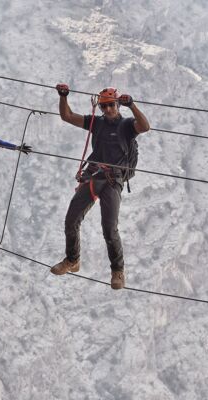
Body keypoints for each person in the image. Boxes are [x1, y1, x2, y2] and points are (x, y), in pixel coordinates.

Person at [51, 84, 150, 289]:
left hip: (114, 181)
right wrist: (63, 96)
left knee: (109, 228)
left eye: (111, 106)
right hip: (93, 176)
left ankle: (117, 271)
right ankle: (72, 260)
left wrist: (132, 105)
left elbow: (145, 126)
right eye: (103, 106)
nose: (107, 110)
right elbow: (67, 116)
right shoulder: (96, 123)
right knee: (71, 220)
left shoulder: (127, 126)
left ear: (117, 105)